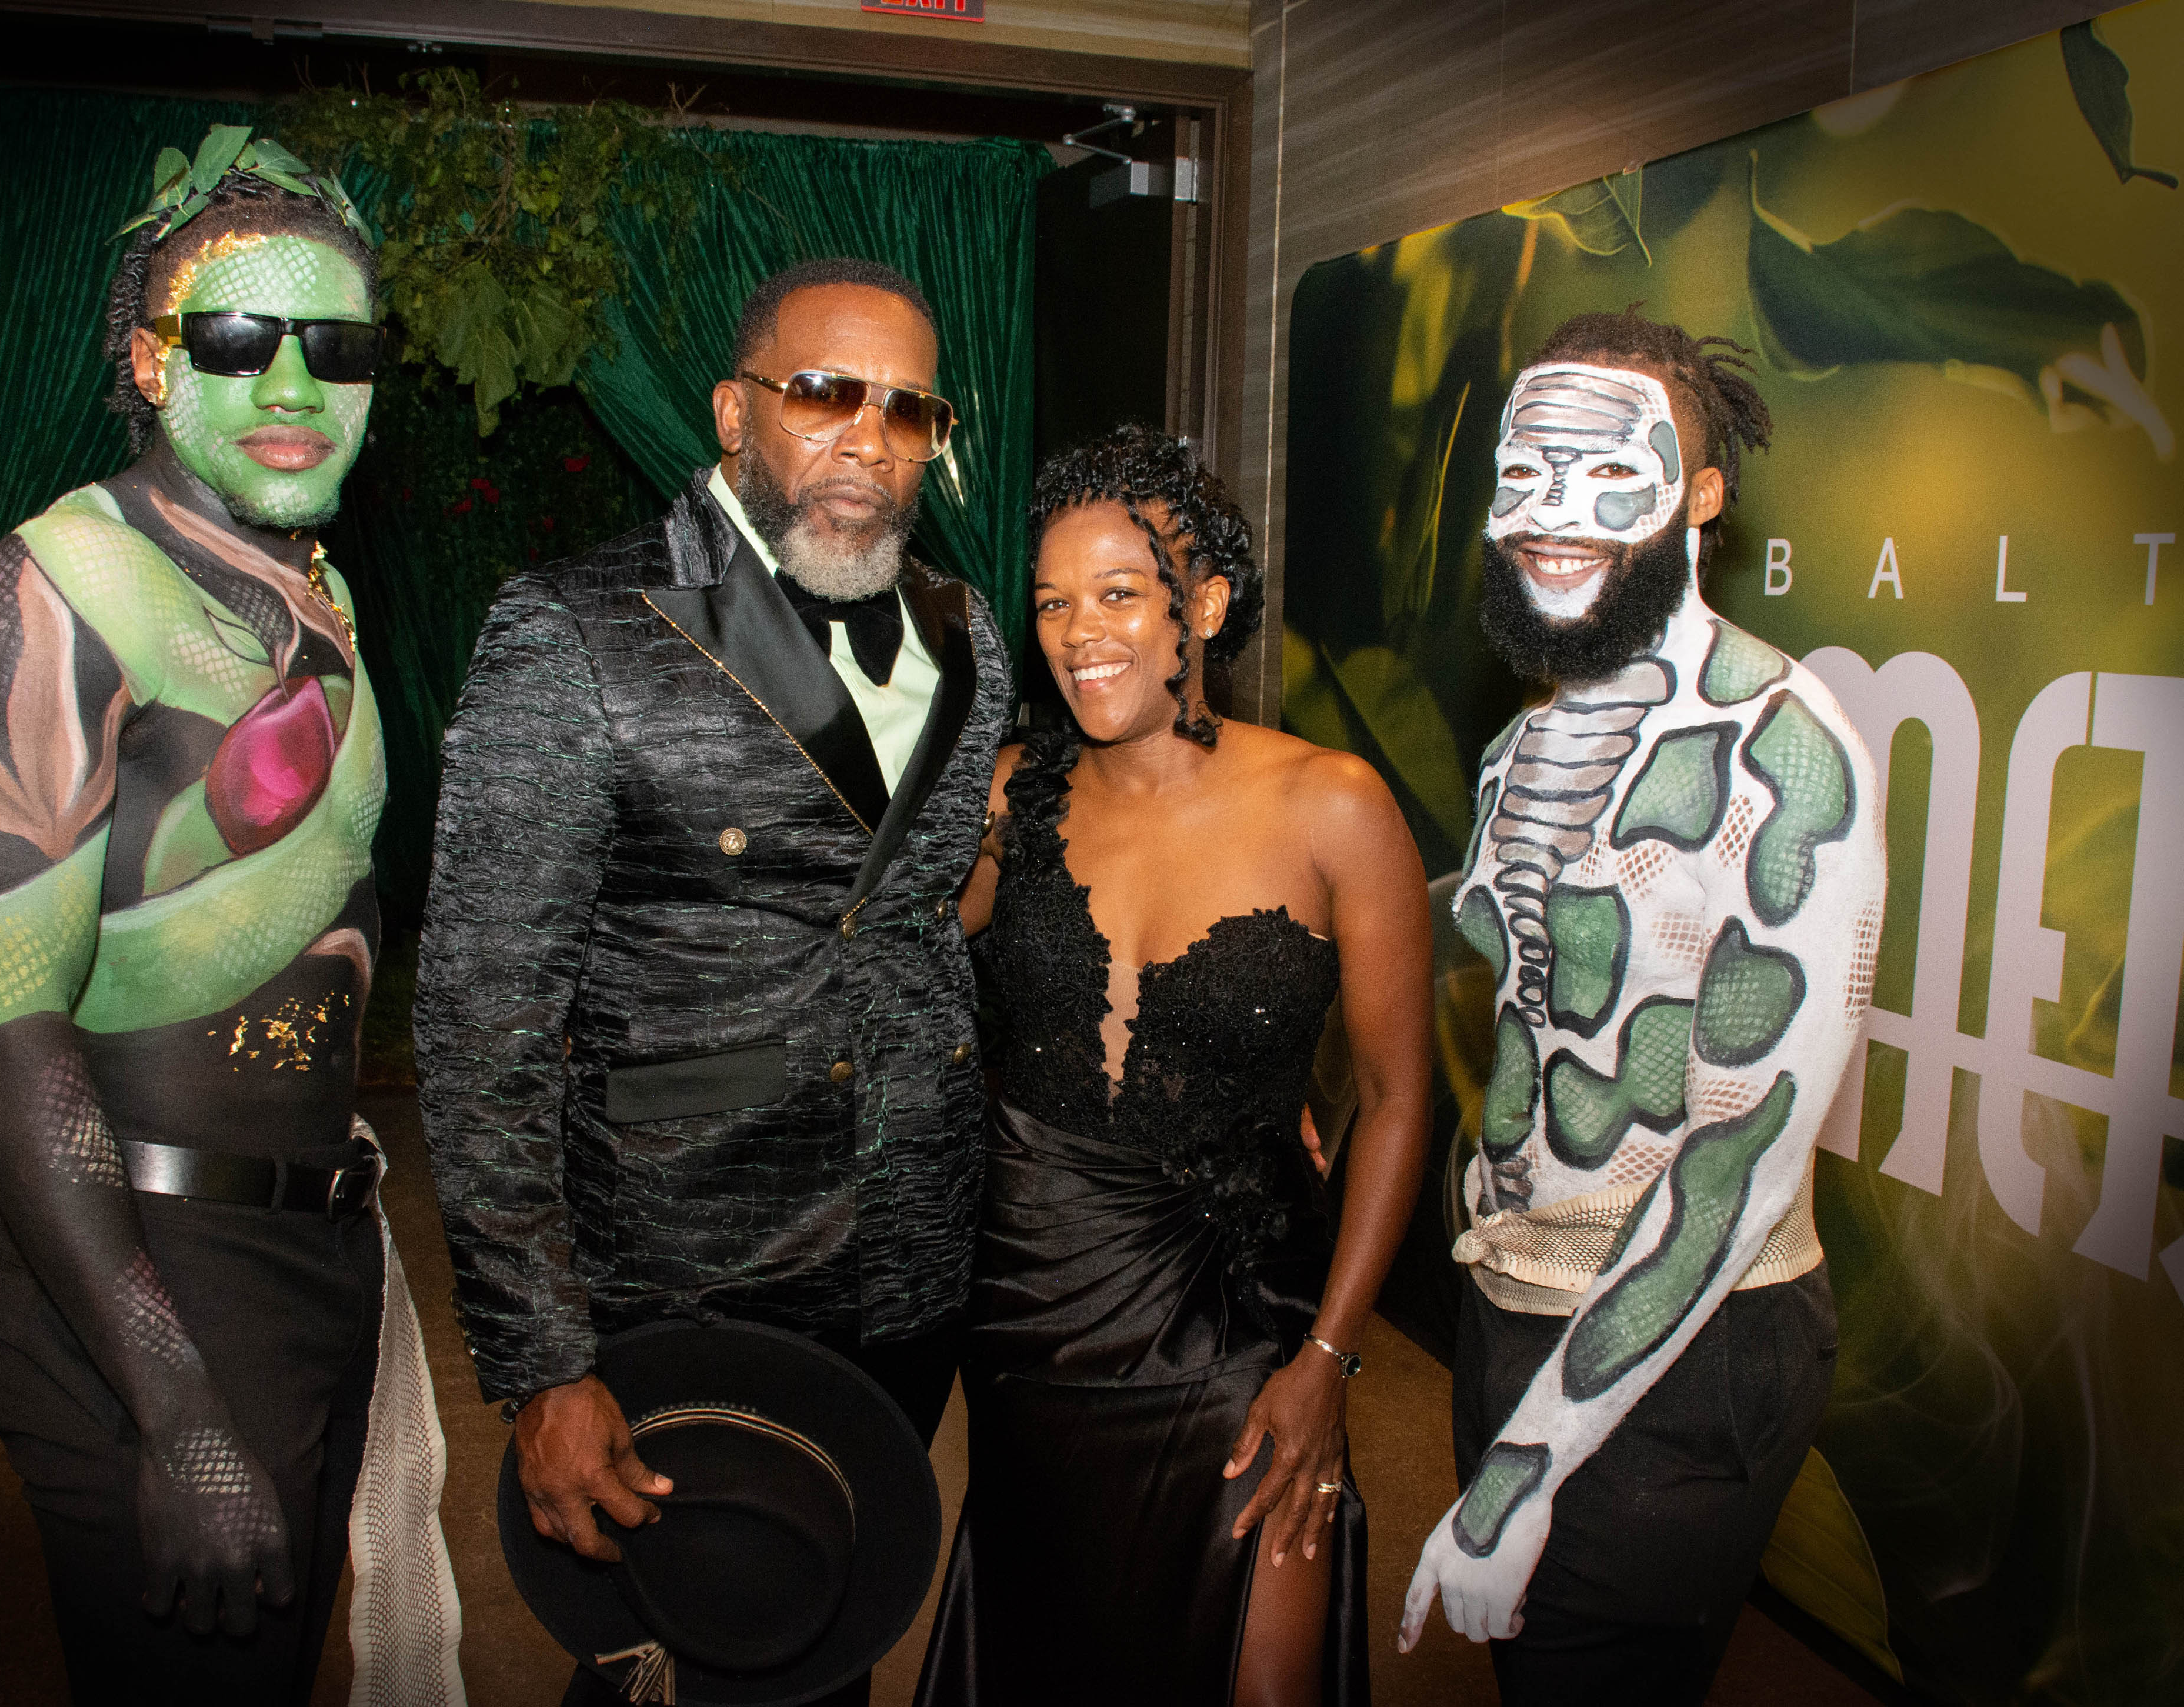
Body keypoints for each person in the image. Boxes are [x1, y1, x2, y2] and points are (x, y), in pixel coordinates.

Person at [416, 256, 1012, 1705]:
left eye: (908, 410)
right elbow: (479, 1016)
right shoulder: (578, 629)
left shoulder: (965, 629)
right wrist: (541, 1357)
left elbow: (943, 916)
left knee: (824, 1617)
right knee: (670, 1646)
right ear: (735, 412)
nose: (866, 437)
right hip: (688, 1257)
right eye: (823, 394)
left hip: (910, 1259)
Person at [0, 128, 455, 1703]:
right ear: (152, 362)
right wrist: (175, 1403)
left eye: (338, 345)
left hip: (309, 1250)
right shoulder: (51, 592)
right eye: (238, 338)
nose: (293, 385)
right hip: (138, 1262)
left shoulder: (321, 595)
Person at [1399, 312, 1886, 1703]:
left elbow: (1737, 1166)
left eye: (1608, 477)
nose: (1552, 520)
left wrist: (1518, 1476)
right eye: (1524, 476)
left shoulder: (1788, 756)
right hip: (1511, 1295)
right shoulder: (1520, 743)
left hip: (1684, 1343)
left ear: (1700, 491)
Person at [916, 425, 1433, 1706]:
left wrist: (1329, 1356)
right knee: (1058, 1645)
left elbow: (1400, 1094)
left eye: (1116, 594)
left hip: (1239, 1312)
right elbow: (886, 959)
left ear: (1201, 604)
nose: (1076, 630)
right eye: (1050, 600)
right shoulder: (1011, 794)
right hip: (1032, 1298)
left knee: (1264, 1675)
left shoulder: (1334, 804)